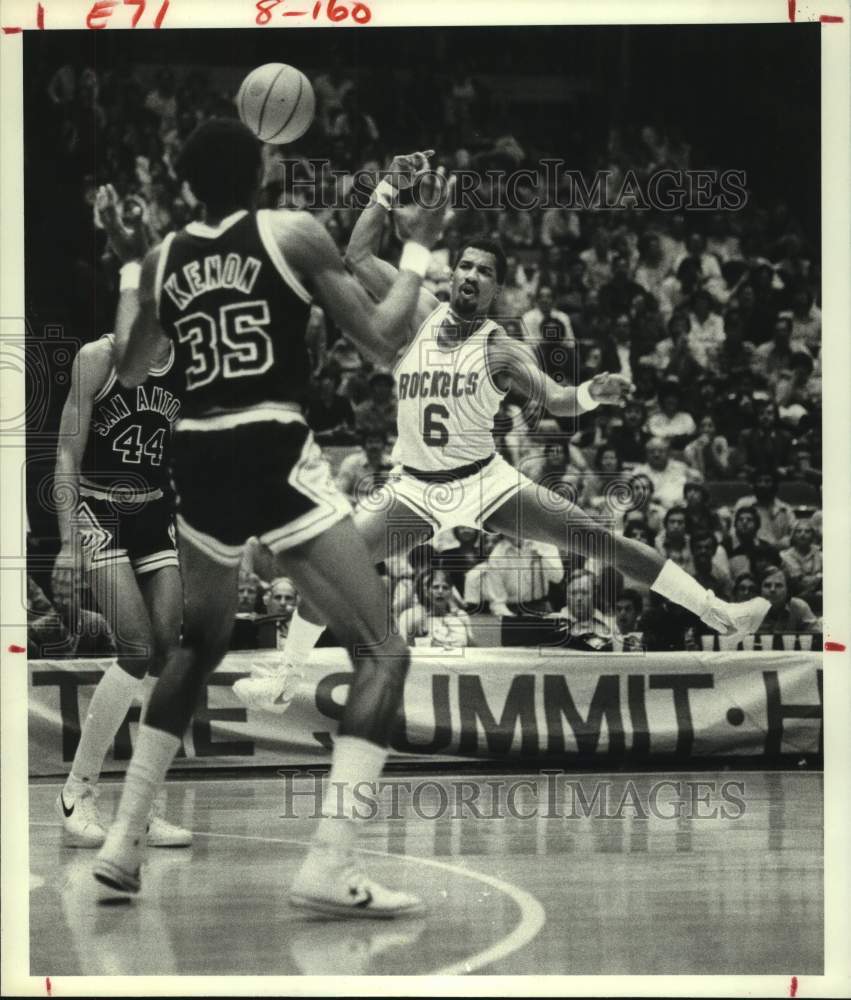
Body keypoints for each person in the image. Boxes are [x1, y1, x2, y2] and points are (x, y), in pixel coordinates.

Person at [237, 149, 769, 708]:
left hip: (486, 481)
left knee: (599, 541)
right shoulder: (417, 308)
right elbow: (356, 253)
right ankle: (286, 679)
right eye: (464, 265)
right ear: (452, 273)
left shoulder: (501, 348)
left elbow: (559, 402)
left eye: (483, 271)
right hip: (415, 487)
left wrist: (595, 391)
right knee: (334, 568)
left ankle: (720, 613)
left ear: (495, 290)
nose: (469, 274)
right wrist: (388, 187)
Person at [93, 123, 453, 918]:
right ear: (260, 169)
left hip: (195, 452)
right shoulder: (290, 231)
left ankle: (121, 844)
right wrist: (419, 246)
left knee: (197, 645)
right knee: (382, 655)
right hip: (270, 442)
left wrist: (126, 258)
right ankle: (329, 866)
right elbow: (385, 339)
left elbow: (128, 366)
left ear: (186, 188)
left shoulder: (162, 260)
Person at [52, 185, 190, 850]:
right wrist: (67, 543)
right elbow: (65, 455)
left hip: (153, 513)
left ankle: (143, 803)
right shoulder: (98, 357)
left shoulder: (186, 365)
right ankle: (77, 790)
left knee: (169, 647)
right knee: (134, 647)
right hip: (98, 512)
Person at [397, 568, 475, 648]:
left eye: (445, 588)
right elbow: (403, 649)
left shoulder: (461, 616)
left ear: (451, 592)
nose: (440, 591)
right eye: (435, 587)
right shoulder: (411, 617)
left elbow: (472, 648)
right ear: (426, 591)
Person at [335, 430, 394, 503]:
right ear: (364, 445)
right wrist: (357, 504)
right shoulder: (351, 463)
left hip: (383, 509)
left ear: (384, 445)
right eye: (370, 442)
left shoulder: (392, 464)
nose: (374, 446)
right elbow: (340, 493)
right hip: (358, 508)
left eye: (378, 442)